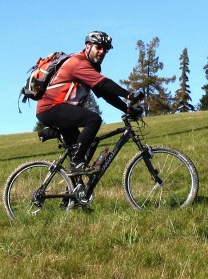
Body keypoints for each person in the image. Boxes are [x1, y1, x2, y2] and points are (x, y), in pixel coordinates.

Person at [36, 31, 140, 174]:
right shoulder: (78, 62)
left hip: (60, 110)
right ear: (87, 46)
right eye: (98, 47)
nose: (102, 52)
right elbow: (104, 84)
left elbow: (106, 94)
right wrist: (129, 95)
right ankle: (76, 162)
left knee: (86, 148)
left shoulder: (92, 67)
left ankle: (74, 186)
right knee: (94, 120)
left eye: (105, 49)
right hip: (51, 108)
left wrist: (126, 109)